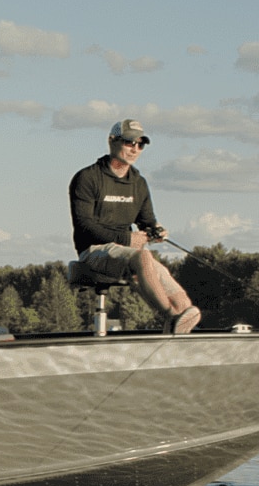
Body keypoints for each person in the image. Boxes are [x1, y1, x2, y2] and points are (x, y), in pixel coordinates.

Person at [69, 119, 201, 334]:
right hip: (93, 251)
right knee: (142, 257)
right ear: (112, 141)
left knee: (183, 302)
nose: (135, 149)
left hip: (129, 253)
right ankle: (171, 317)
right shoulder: (88, 177)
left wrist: (156, 230)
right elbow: (84, 226)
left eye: (140, 145)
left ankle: (176, 330)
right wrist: (127, 239)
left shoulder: (138, 183)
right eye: (129, 142)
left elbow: (147, 220)